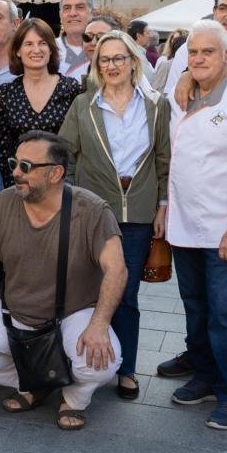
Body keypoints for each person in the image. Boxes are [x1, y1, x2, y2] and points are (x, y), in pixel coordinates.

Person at [0, 131, 126, 429]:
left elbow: (117, 270)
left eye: (26, 167)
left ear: (56, 173)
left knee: (102, 364)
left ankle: (75, 397)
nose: (16, 172)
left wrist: (98, 324)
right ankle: (35, 382)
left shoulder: (92, 209)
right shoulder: (4, 203)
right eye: (14, 163)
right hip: (15, 310)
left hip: (74, 312)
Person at [164, 20, 227, 431]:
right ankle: (205, 375)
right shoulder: (186, 93)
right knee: (196, 305)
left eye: (208, 52)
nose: (199, 58)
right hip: (186, 222)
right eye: (193, 52)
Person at [60, 30, 169, 402]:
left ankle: (126, 369)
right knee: (87, 288)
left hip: (138, 211)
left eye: (119, 58)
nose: (112, 66)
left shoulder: (156, 105)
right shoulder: (83, 105)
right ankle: (85, 359)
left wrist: (162, 205)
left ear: (134, 61)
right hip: (92, 211)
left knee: (127, 294)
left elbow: (164, 160)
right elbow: (66, 157)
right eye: (104, 59)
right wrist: (71, 203)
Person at [0, 17, 81, 170]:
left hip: (61, 179)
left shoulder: (70, 88)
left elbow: (79, 144)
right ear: (18, 51)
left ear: (51, 49)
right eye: (29, 44)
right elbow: (1, 149)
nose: (36, 50)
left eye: (42, 43)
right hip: (19, 180)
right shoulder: (6, 93)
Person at [57, 0, 96, 73]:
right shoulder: (49, 50)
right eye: (67, 8)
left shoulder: (105, 48)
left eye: (80, 7)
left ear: (93, 13)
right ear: (60, 15)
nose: (72, 13)